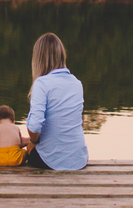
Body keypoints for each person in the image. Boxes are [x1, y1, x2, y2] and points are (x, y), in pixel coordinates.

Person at [25, 32, 88, 170]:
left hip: (52, 161)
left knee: (29, 151)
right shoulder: (77, 83)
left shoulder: (41, 84)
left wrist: (33, 142)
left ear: (38, 59)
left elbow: (35, 127)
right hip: (79, 159)